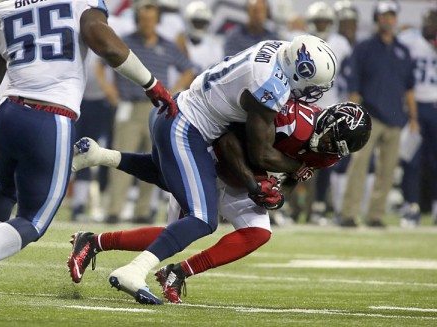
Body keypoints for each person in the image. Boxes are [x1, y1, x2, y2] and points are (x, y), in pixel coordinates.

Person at [67, 34, 337, 305]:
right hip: (187, 127)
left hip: (181, 113)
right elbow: (260, 152)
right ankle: (134, 271)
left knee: (170, 180)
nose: (313, 94)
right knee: (201, 219)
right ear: (300, 71)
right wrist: (299, 166)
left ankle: (99, 155)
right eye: (313, 85)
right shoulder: (270, 85)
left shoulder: (280, 51)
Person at [0, 0, 175, 307]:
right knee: (33, 221)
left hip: (7, 112)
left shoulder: (3, 8)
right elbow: (104, 42)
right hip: (50, 115)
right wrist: (151, 85)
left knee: (4, 190)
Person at [67, 100, 372, 303]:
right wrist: (255, 182)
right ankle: (95, 241)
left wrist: (278, 195)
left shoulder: (330, 154)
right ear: (327, 121)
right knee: (186, 227)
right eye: (332, 139)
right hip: (215, 161)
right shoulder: (292, 119)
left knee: (258, 232)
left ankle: (179, 272)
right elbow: (228, 141)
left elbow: (298, 174)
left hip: (244, 181)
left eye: (338, 148)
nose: (330, 148)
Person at [105, 0, 195, 224]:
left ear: (157, 21)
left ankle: (143, 211)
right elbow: (103, 63)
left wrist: (172, 93)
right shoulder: (127, 42)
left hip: (158, 108)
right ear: (137, 19)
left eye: (151, 19)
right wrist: (110, 91)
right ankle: (114, 209)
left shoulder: (168, 44)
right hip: (130, 105)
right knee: (121, 155)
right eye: (143, 19)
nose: (147, 24)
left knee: (154, 159)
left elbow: (188, 70)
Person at [338, 0, 418, 227]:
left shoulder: (403, 51)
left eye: (391, 15)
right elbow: (354, 85)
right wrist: (353, 116)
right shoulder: (364, 48)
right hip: (369, 116)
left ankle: (376, 215)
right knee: (358, 165)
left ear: (396, 18)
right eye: (383, 15)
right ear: (376, 18)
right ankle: (349, 213)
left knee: (388, 170)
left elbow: (409, 88)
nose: (388, 19)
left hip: (396, 119)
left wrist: (413, 118)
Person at [304, 1, 353, 225]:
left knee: (325, 160)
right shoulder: (300, 41)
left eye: (325, 21)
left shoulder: (341, 43)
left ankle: (319, 207)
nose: (322, 25)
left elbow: (349, 73)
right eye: (318, 21)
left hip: (328, 109)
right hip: (303, 108)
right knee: (295, 156)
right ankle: (287, 207)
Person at [398, 8, 437, 227]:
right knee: (411, 160)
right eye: (430, 21)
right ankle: (411, 206)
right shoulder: (409, 41)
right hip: (416, 108)